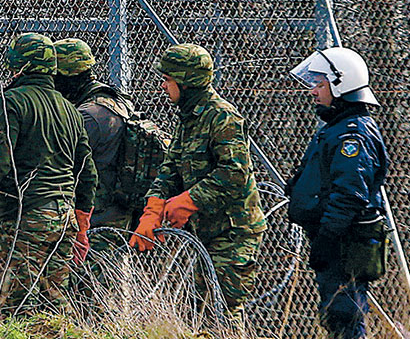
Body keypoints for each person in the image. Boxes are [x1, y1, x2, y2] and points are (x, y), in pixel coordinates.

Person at [0, 32, 98, 316]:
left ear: (18, 67)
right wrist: (81, 227)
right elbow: (87, 172)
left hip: (26, 217)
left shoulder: (12, 102)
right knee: (54, 306)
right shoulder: (69, 109)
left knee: (17, 307)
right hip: (63, 218)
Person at [131, 44, 265, 330]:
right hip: (207, 230)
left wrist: (190, 200)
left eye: (168, 79)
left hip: (234, 230)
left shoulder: (222, 117)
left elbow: (235, 172)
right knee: (199, 309)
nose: (163, 86)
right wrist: (153, 207)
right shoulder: (188, 119)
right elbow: (170, 168)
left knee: (220, 311)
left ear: (185, 81)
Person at [286, 47, 388, 339]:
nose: (313, 92)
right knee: (336, 313)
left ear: (341, 85)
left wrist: (328, 237)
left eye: (319, 84)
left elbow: (350, 193)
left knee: (345, 314)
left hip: (344, 242)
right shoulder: (337, 127)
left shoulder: (352, 133)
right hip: (334, 240)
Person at [52, 37, 168, 242]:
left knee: (94, 272)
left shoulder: (89, 116)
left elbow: (60, 163)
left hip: (97, 217)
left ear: (64, 76)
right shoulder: (114, 99)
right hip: (117, 212)